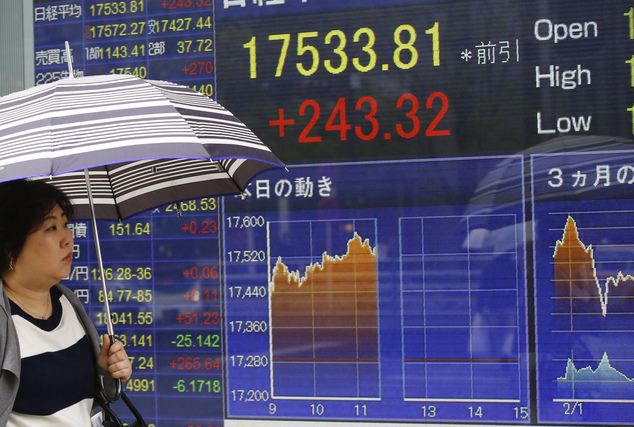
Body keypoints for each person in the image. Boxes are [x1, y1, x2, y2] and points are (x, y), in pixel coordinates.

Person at [0, 179, 132, 426]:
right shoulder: (4, 321)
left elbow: (82, 402)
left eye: (65, 224)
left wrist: (105, 371)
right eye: (50, 228)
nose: (67, 239)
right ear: (10, 245)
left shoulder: (67, 301)